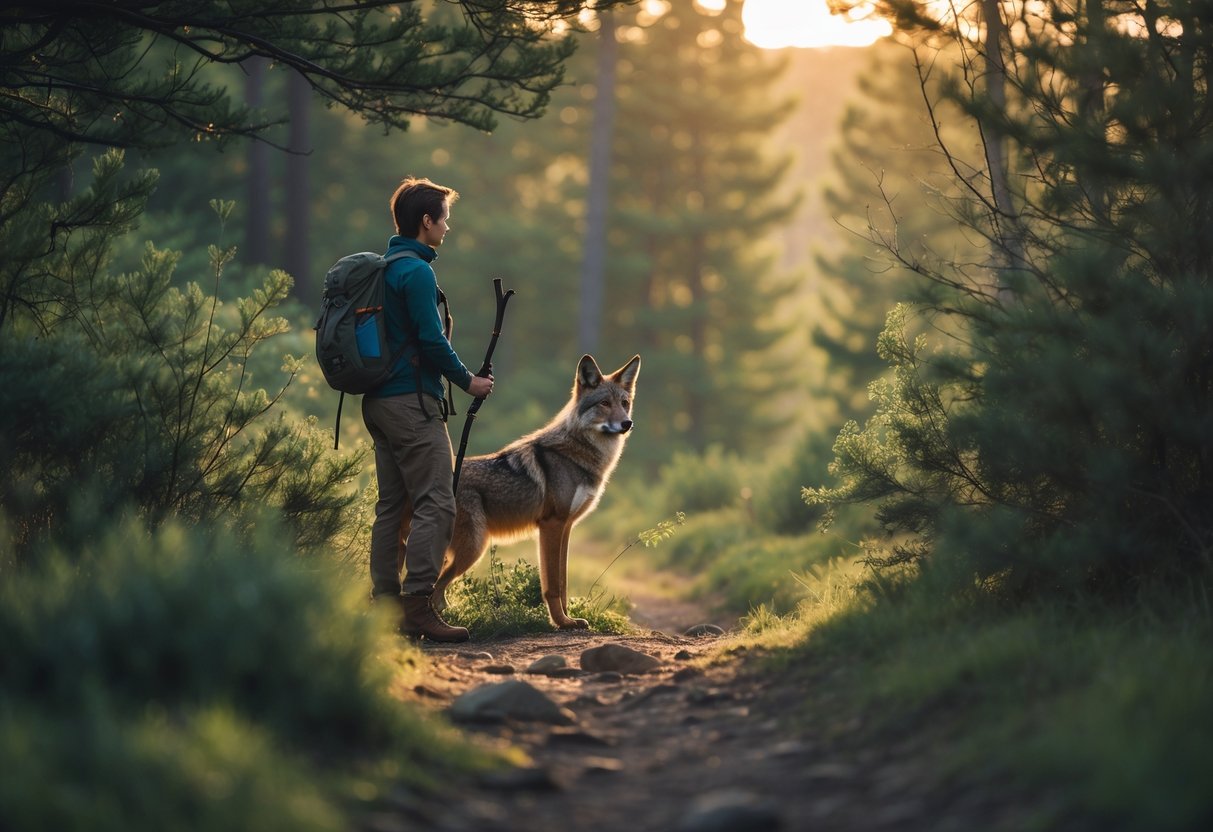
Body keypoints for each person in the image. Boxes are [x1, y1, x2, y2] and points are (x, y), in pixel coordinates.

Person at [362, 177, 493, 642]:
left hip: (377, 403)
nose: (447, 227)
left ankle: (384, 607)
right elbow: (430, 339)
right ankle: (418, 608)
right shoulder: (417, 272)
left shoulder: (383, 268)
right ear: (426, 221)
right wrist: (468, 382)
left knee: (390, 506)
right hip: (410, 404)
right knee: (437, 503)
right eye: (445, 219)